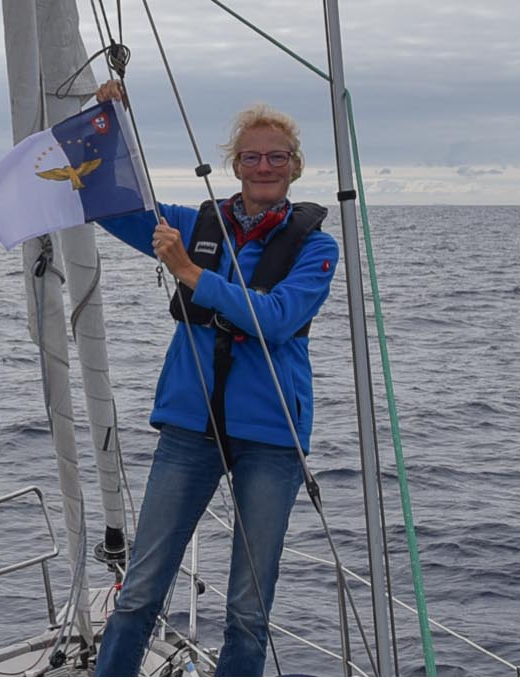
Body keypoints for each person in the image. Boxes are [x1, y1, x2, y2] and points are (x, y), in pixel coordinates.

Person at [88, 82, 335, 676]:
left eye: (277, 156)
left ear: (296, 167)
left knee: (248, 609)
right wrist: (108, 121)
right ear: (235, 164)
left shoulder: (316, 247)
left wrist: (192, 274)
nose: (264, 166)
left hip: (271, 437)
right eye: (252, 156)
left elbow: (276, 319)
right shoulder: (196, 225)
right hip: (189, 429)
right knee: (141, 590)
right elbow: (114, 205)